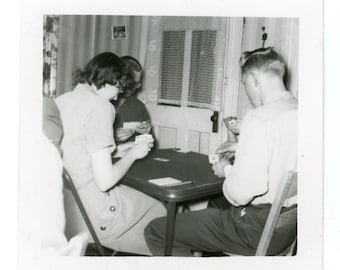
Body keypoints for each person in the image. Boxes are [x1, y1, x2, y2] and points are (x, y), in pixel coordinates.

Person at [144, 47, 298, 256]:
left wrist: (225, 169)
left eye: (245, 85)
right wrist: (241, 147)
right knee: (212, 204)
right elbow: (285, 151)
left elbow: (240, 195)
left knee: (158, 231)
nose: (248, 93)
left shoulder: (258, 118)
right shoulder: (300, 110)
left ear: (253, 79)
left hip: (254, 231)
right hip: (288, 229)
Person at [55, 52, 166, 255]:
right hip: (96, 214)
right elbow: (105, 181)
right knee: (162, 213)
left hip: (67, 210)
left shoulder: (61, 100)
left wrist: (120, 149)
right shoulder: (100, 106)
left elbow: (80, 150)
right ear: (111, 80)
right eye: (119, 88)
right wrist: (133, 153)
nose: (117, 96)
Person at [112, 56, 153, 145]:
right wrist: (112, 137)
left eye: (135, 84)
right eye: (127, 82)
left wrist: (146, 133)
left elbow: (151, 145)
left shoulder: (138, 106)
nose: (129, 88)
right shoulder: (101, 103)